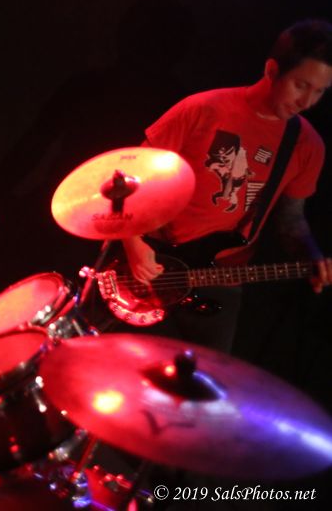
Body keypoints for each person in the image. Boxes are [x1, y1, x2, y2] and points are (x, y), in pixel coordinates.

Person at [121, 19, 332, 352]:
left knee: (205, 380)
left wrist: (311, 255)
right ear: (272, 70)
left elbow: (291, 219)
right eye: (301, 85)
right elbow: (126, 180)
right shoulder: (202, 109)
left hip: (221, 279)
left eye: (319, 91)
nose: (307, 101)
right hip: (153, 265)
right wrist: (132, 243)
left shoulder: (307, 145)